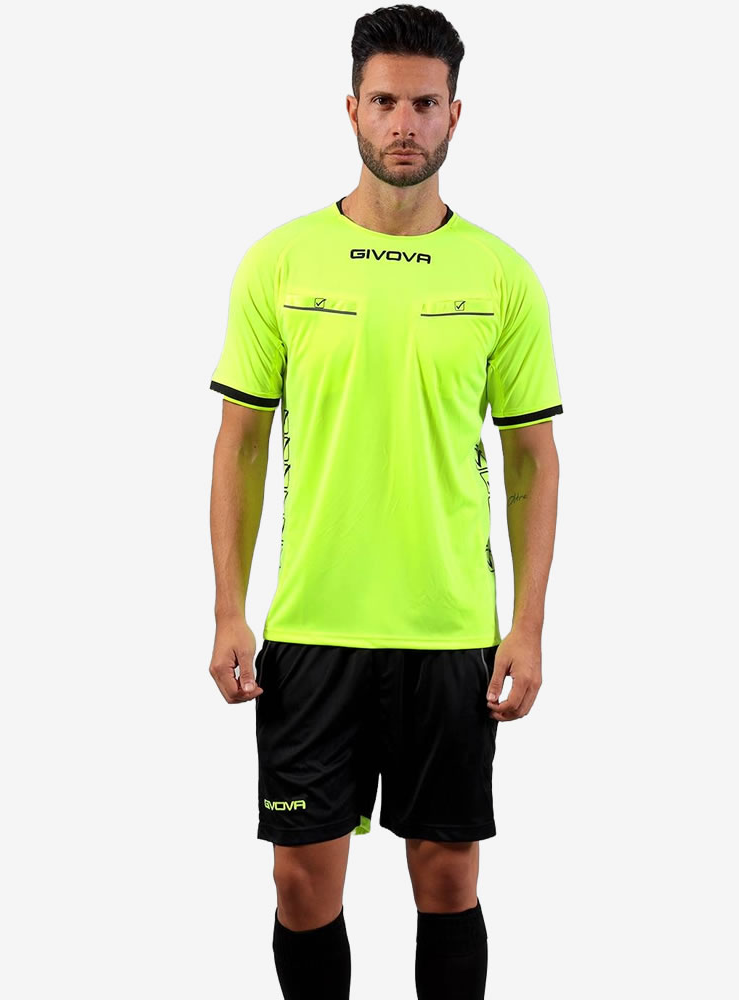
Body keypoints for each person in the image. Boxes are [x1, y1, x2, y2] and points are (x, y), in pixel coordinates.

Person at [207, 6, 562, 998]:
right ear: (351, 108)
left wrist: (527, 627)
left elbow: (532, 460)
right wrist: (229, 608)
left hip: (449, 630)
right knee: (300, 883)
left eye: (424, 103)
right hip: (312, 626)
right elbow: (239, 444)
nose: (404, 122)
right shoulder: (280, 262)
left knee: (446, 879)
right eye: (385, 101)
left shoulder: (501, 275)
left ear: (456, 114)